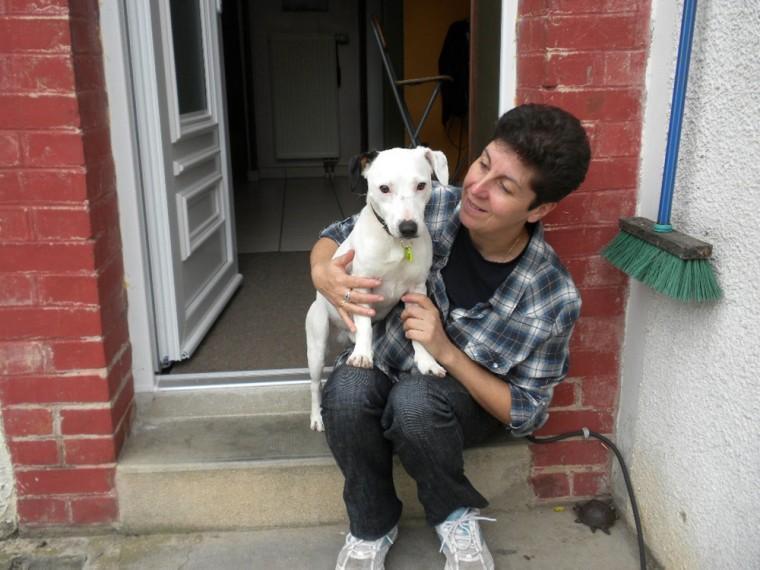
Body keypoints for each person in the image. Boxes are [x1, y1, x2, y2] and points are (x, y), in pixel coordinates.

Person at [309, 103, 591, 570]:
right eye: (483, 163)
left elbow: (524, 411)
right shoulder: (429, 201)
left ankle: (454, 515)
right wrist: (323, 272)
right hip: (389, 360)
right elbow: (337, 233)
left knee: (416, 402)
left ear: (539, 209)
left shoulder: (551, 295)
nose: (477, 188)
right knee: (344, 392)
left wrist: (445, 352)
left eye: (504, 186)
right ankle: (371, 524)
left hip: (460, 403)